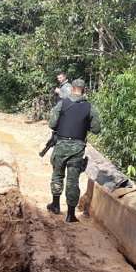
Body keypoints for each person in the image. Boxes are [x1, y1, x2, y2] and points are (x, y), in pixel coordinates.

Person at [46, 79, 101, 222]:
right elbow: (96, 129)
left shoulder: (62, 103)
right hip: (77, 148)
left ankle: (55, 205)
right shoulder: (90, 107)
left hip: (61, 145)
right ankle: (71, 215)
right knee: (73, 180)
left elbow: (52, 124)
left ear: (72, 90)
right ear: (84, 91)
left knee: (58, 175)